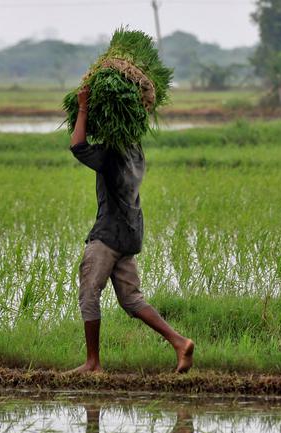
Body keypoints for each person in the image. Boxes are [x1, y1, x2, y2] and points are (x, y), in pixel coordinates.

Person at [68, 86, 194, 374]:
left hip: (109, 234)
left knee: (89, 293)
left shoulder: (112, 154)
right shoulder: (135, 148)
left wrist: (84, 107)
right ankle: (179, 342)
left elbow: (77, 146)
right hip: (130, 232)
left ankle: (92, 363)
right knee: (131, 298)